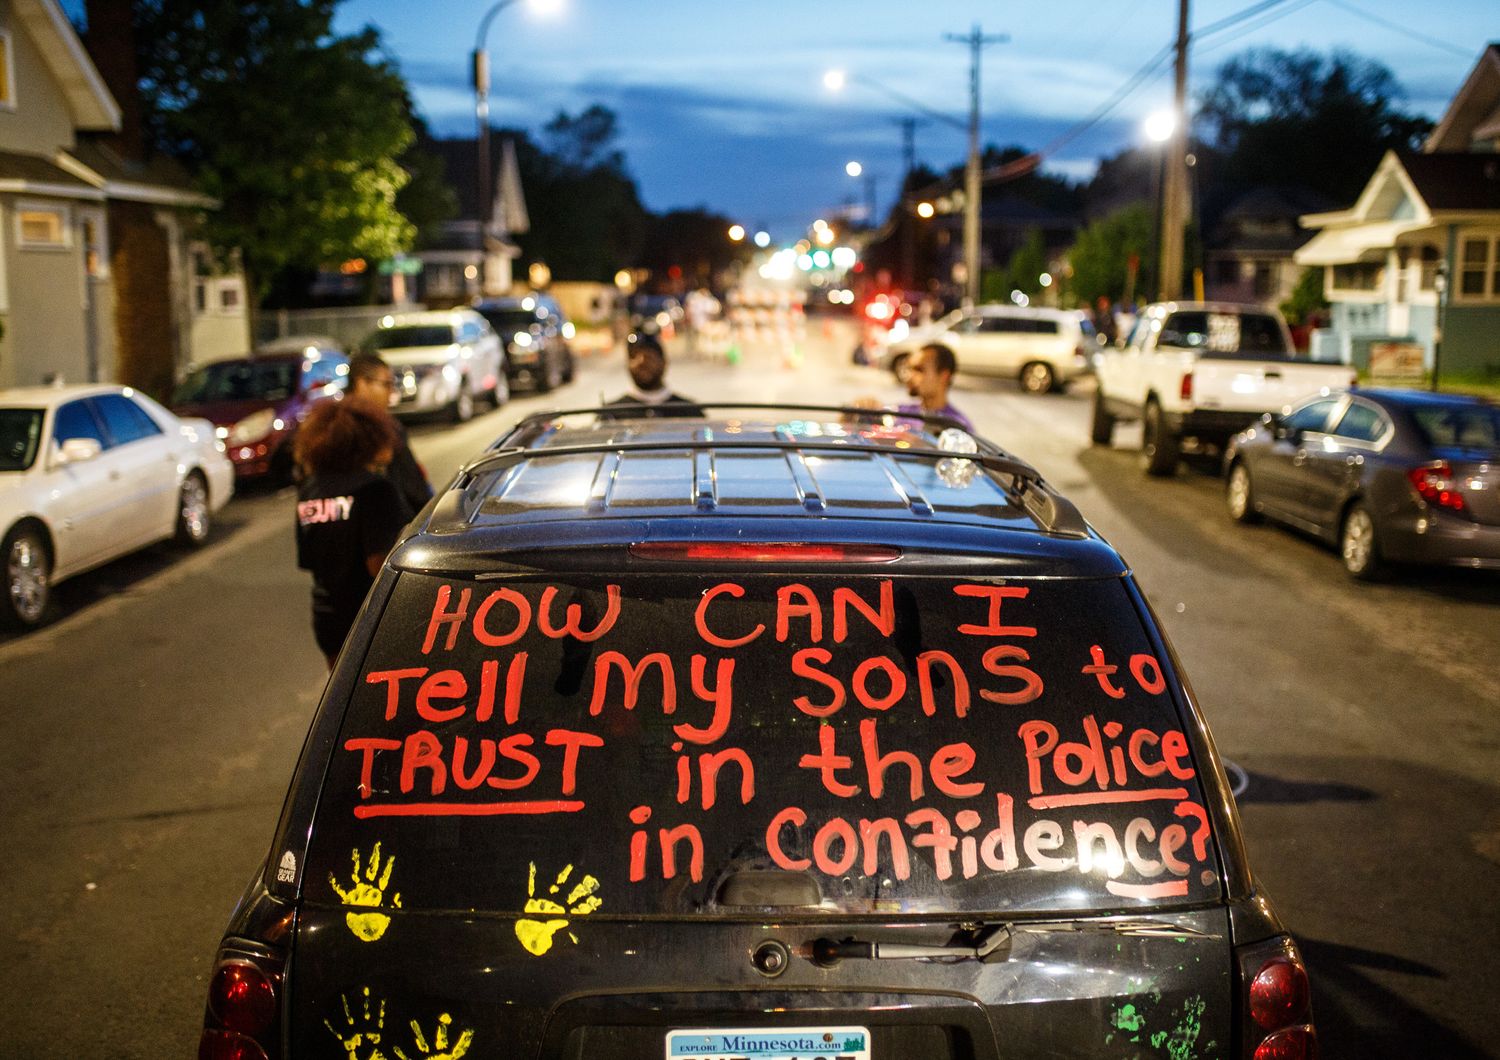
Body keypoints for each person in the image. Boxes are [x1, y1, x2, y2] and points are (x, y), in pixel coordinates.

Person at [294, 401, 414, 668]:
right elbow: (378, 565)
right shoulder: (375, 489)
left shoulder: (309, 490)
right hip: (371, 615)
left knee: (343, 695)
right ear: (367, 440)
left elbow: (310, 559)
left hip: (327, 617)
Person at [345, 351, 433, 513]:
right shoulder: (383, 429)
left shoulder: (327, 429)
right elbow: (414, 487)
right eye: (386, 384)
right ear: (362, 383)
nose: (392, 392)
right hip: (386, 524)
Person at [602, 332, 702, 418]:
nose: (641, 362)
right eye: (633, 356)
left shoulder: (690, 411)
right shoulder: (611, 414)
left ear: (664, 362)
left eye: (649, 356)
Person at [895, 342, 973, 432]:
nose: (909, 377)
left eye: (919, 370)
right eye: (910, 369)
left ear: (944, 376)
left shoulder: (957, 425)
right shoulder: (901, 412)